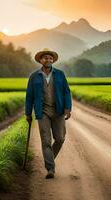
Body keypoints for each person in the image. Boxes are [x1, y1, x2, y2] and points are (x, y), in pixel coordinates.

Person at [25, 48, 72, 179]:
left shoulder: (60, 74)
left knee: (60, 139)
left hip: (58, 111)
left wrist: (68, 108)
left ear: (53, 60)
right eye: (45, 58)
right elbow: (29, 96)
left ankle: (49, 158)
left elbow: (66, 91)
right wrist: (28, 113)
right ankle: (50, 168)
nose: (48, 60)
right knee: (46, 141)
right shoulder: (34, 76)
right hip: (42, 111)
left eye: (50, 58)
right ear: (41, 60)